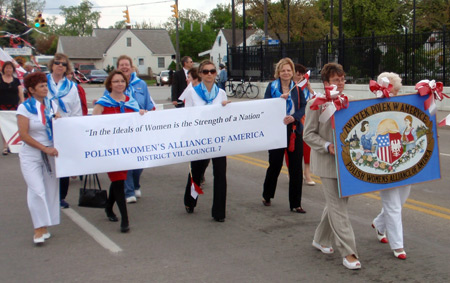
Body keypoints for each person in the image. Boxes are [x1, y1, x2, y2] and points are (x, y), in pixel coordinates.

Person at [303, 62, 361, 270]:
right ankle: (349, 253)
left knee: (337, 205)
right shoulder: (315, 104)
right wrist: (327, 146)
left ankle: (320, 239)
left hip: (348, 164)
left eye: (343, 78)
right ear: (326, 82)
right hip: (327, 164)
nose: (341, 82)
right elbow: (308, 134)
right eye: (336, 80)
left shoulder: (350, 101)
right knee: (339, 209)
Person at [93, 70, 146, 233]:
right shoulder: (102, 104)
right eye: (116, 81)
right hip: (110, 149)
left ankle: (109, 206)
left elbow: (138, 123)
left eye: (122, 81)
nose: (119, 84)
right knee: (118, 179)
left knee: (119, 180)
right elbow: (93, 126)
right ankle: (125, 218)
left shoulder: (131, 102)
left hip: (127, 148)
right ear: (109, 84)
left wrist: (142, 115)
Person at [182, 60, 230, 222]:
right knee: (196, 172)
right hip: (200, 139)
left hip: (218, 138)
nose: (209, 74)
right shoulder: (192, 93)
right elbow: (187, 117)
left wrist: (225, 108)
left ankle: (219, 212)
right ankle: (190, 201)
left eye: (212, 71)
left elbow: (226, 116)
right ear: (200, 74)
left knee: (220, 174)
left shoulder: (221, 93)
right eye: (205, 72)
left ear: (216, 74)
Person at [371, 72, 411, 260]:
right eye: (395, 90)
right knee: (393, 205)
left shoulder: (403, 106)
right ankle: (398, 246)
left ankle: (379, 223)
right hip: (383, 166)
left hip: (403, 163)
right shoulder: (371, 108)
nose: (398, 93)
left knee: (401, 199)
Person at [17, 72, 60, 244]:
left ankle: (45, 225)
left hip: (51, 154)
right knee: (36, 190)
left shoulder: (52, 105)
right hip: (32, 154)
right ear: (31, 90)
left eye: (45, 85)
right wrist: (44, 148)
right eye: (41, 86)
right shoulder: (24, 108)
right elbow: (23, 135)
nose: (45, 88)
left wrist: (59, 120)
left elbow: (61, 128)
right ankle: (38, 229)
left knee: (50, 191)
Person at [261, 58, 306, 213]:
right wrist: (277, 102)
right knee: (275, 164)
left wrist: (295, 117)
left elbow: (303, 107)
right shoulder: (272, 87)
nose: (286, 73)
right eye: (283, 70)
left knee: (295, 168)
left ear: (292, 72)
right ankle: (267, 194)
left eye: (289, 70)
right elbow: (265, 106)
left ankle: (296, 203)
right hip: (277, 129)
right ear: (278, 73)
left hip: (293, 130)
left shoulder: (297, 89)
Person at [112, 55, 155, 203]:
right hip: (122, 130)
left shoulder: (141, 84)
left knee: (139, 162)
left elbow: (149, 104)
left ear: (131, 67)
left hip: (139, 128)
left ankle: (135, 183)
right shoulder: (114, 84)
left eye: (127, 65)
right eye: (121, 65)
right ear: (117, 68)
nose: (124, 67)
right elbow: (107, 102)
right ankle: (128, 191)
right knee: (127, 160)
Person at [47, 53, 82, 209]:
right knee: (47, 164)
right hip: (45, 127)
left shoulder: (71, 87)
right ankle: (48, 195)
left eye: (63, 64)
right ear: (52, 65)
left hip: (64, 128)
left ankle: (61, 197)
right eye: (57, 63)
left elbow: (76, 108)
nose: (60, 66)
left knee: (64, 163)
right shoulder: (43, 82)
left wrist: (75, 127)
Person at [294, 63, 315, 185]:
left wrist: (310, 88)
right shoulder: (291, 88)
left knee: (307, 148)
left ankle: (307, 173)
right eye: (298, 73)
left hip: (307, 120)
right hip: (295, 121)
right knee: (293, 149)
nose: (301, 76)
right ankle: (294, 172)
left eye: (303, 74)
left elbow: (315, 100)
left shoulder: (306, 89)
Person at [1, 61, 25, 155]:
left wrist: (22, 104)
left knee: (13, 125)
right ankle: (5, 146)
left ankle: (11, 144)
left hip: (14, 106)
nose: (8, 70)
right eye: (6, 68)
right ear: (3, 69)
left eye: (10, 68)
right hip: (2, 106)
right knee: (3, 126)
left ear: (13, 70)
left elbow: (20, 93)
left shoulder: (16, 81)